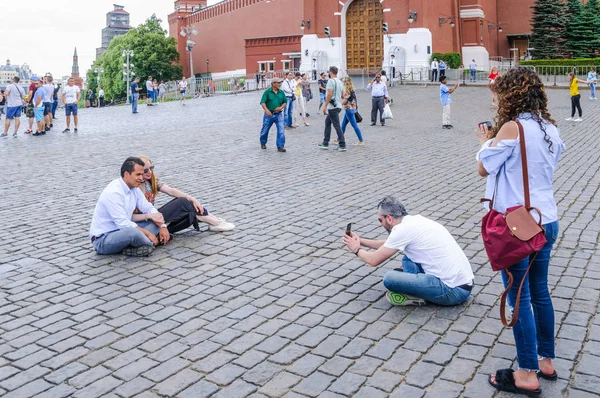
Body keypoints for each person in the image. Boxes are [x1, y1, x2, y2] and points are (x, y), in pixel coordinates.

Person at [475, 67, 565, 397]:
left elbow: (484, 167)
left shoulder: (512, 127)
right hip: (548, 218)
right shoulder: (549, 129)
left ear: (509, 96)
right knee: (540, 291)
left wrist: (486, 141)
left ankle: (526, 373)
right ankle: (546, 361)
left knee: (519, 296)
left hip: (518, 225)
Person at [343, 196, 474, 306]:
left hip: (452, 291)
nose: (380, 224)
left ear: (389, 218)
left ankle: (415, 295)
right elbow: (389, 245)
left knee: (389, 278)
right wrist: (361, 241)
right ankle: (415, 288)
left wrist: (356, 249)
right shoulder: (415, 220)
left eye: (380, 220)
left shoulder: (402, 230)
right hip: (465, 283)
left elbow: (373, 260)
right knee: (408, 257)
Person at [89, 157, 171, 257]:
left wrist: (162, 226)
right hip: (104, 239)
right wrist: (149, 234)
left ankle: (137, 245)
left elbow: (148, 207)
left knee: (154, 222)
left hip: (123, 231)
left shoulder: (134, 188)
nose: (141, 178)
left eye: (142, 174)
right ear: (127, 174)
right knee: (133, 233)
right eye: (138, 174)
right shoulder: (113, 192)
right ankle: (152, 242)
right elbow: (123, 224)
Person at [137, 156, 235, 233]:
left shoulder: (150, 181)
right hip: (146, 220)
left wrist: (191, 198)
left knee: (186, 201)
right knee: (183, 203)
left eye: (151, 168)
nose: (149, 172)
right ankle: (214, 222)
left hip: (153, 214)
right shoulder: (137, 185)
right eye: (146, 170)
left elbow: (171, 190)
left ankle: (214, 220)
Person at [319, 66, 346, 151]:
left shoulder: (330, 81)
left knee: (337, 125)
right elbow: (343, 95)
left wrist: (325, 106)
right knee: (327, 122)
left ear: (330, 72)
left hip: (332, 107)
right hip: (338, 105)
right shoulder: (340, 82)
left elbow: (329, 94)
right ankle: (325, 142)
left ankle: (342, 144)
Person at [259, 77, 287, 152]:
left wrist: (280, 107)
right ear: (273, 84)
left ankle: (280, 146)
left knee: (281, 130)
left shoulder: (281, 92)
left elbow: (285, 102)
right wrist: (266, 110)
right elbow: (263, 102)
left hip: (279, 114)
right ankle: (263, 142)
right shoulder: (267, 92)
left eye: (280, 83)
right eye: (278, 83)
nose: (280, 84)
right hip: (269, 114)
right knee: (265, 129)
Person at [341, 77, 364, 145]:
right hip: (352, 109)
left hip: (349, 109)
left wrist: (339, 104)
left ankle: (361, 140)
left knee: (354, 125)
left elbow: (345, 100)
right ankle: (339, 139)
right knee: (343, 124)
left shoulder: (347, 91)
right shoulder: (352, 90)